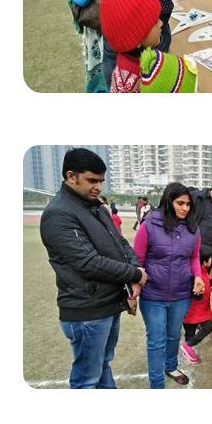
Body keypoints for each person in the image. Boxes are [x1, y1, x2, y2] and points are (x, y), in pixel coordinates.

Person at [40, 149, 146, 389]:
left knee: (103, 364)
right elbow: (88, 263)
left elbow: (120, 243)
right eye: (92, 180)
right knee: (86, 379)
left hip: (108, 303)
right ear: (71, 176)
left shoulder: (96, 207)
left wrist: (134, 270)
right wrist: (136, 274)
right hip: (87, 311)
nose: (98, 187)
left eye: (101, 181)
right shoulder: (58, 213)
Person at [133, 182, 204, 388]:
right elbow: (137, 260)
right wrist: (134, 289)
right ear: (168, 201)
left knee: (174, 335)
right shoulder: (149, 226)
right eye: (180, 203)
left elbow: (194, 257)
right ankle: (157, 384)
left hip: (181, 295)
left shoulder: (193, 229)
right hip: (153, 296)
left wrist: (198, 276)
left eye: (188, 204)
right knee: (156, 340)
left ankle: (171, 366)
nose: (185, 208)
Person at [99, 0, 164, 93]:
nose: (161, 23)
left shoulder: (141, 58)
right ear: (137, 39)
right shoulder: (127, 86)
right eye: (155, 22)